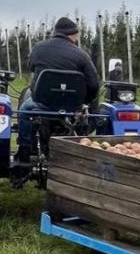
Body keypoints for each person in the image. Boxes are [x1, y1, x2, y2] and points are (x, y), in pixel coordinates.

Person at [14, 17, 100, 171]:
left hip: (41, 103)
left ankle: (25, 149)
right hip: (71, 106)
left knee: (24, 112)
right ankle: (81, 144)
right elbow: (94, 84)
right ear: (72, 35)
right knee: (86, 118)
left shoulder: (39, 48)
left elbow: (32, 67)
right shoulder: (82, 55)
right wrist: (82, 103)